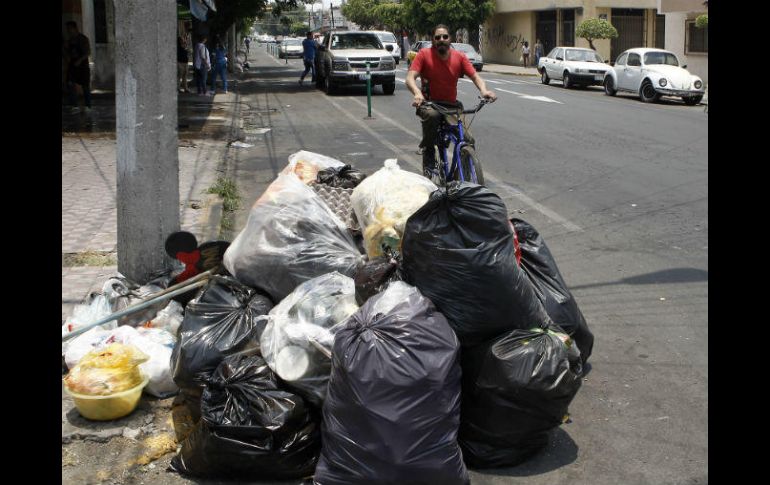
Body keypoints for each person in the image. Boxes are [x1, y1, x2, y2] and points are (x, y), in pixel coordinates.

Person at [405, 24, 497, 177]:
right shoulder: (424, 54)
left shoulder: (459, 57)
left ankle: (459, 172)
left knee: (468, 140)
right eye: (437, 37)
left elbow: (475, 77)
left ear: (450, 39)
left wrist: (484, 91)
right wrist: (417, 93)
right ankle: (428, 152)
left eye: (445, 37)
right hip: (429, 104)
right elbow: (410, 78)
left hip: (451, 107)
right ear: (433, 40)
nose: (441, 40)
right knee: (432, 116)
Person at [65, 21, 92, 113]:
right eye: (67, 29)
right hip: (73, 65)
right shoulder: (69, 41)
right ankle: (74, 105)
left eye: (70, 29)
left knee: (85, 85)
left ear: (75, 28)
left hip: (82, 65)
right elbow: (68, 53)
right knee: (70, 83)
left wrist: (79, 60)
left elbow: (88, 52)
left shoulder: (83, 39)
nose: (69, 31)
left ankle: (88, 106)